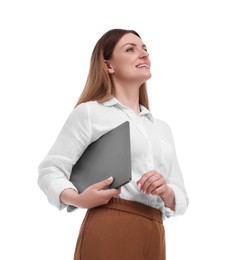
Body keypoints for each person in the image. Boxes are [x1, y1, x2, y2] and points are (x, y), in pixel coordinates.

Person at [38, 28, 189, 260]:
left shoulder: (161, 129)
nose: (143, 54)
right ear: (109, 65)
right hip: (111, 224)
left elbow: (181, 197)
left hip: (155, 230)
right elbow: (50, 170)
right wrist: (78, 199)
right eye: (131, 49)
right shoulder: (90, 113)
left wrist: (166, 191)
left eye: (145, 49)